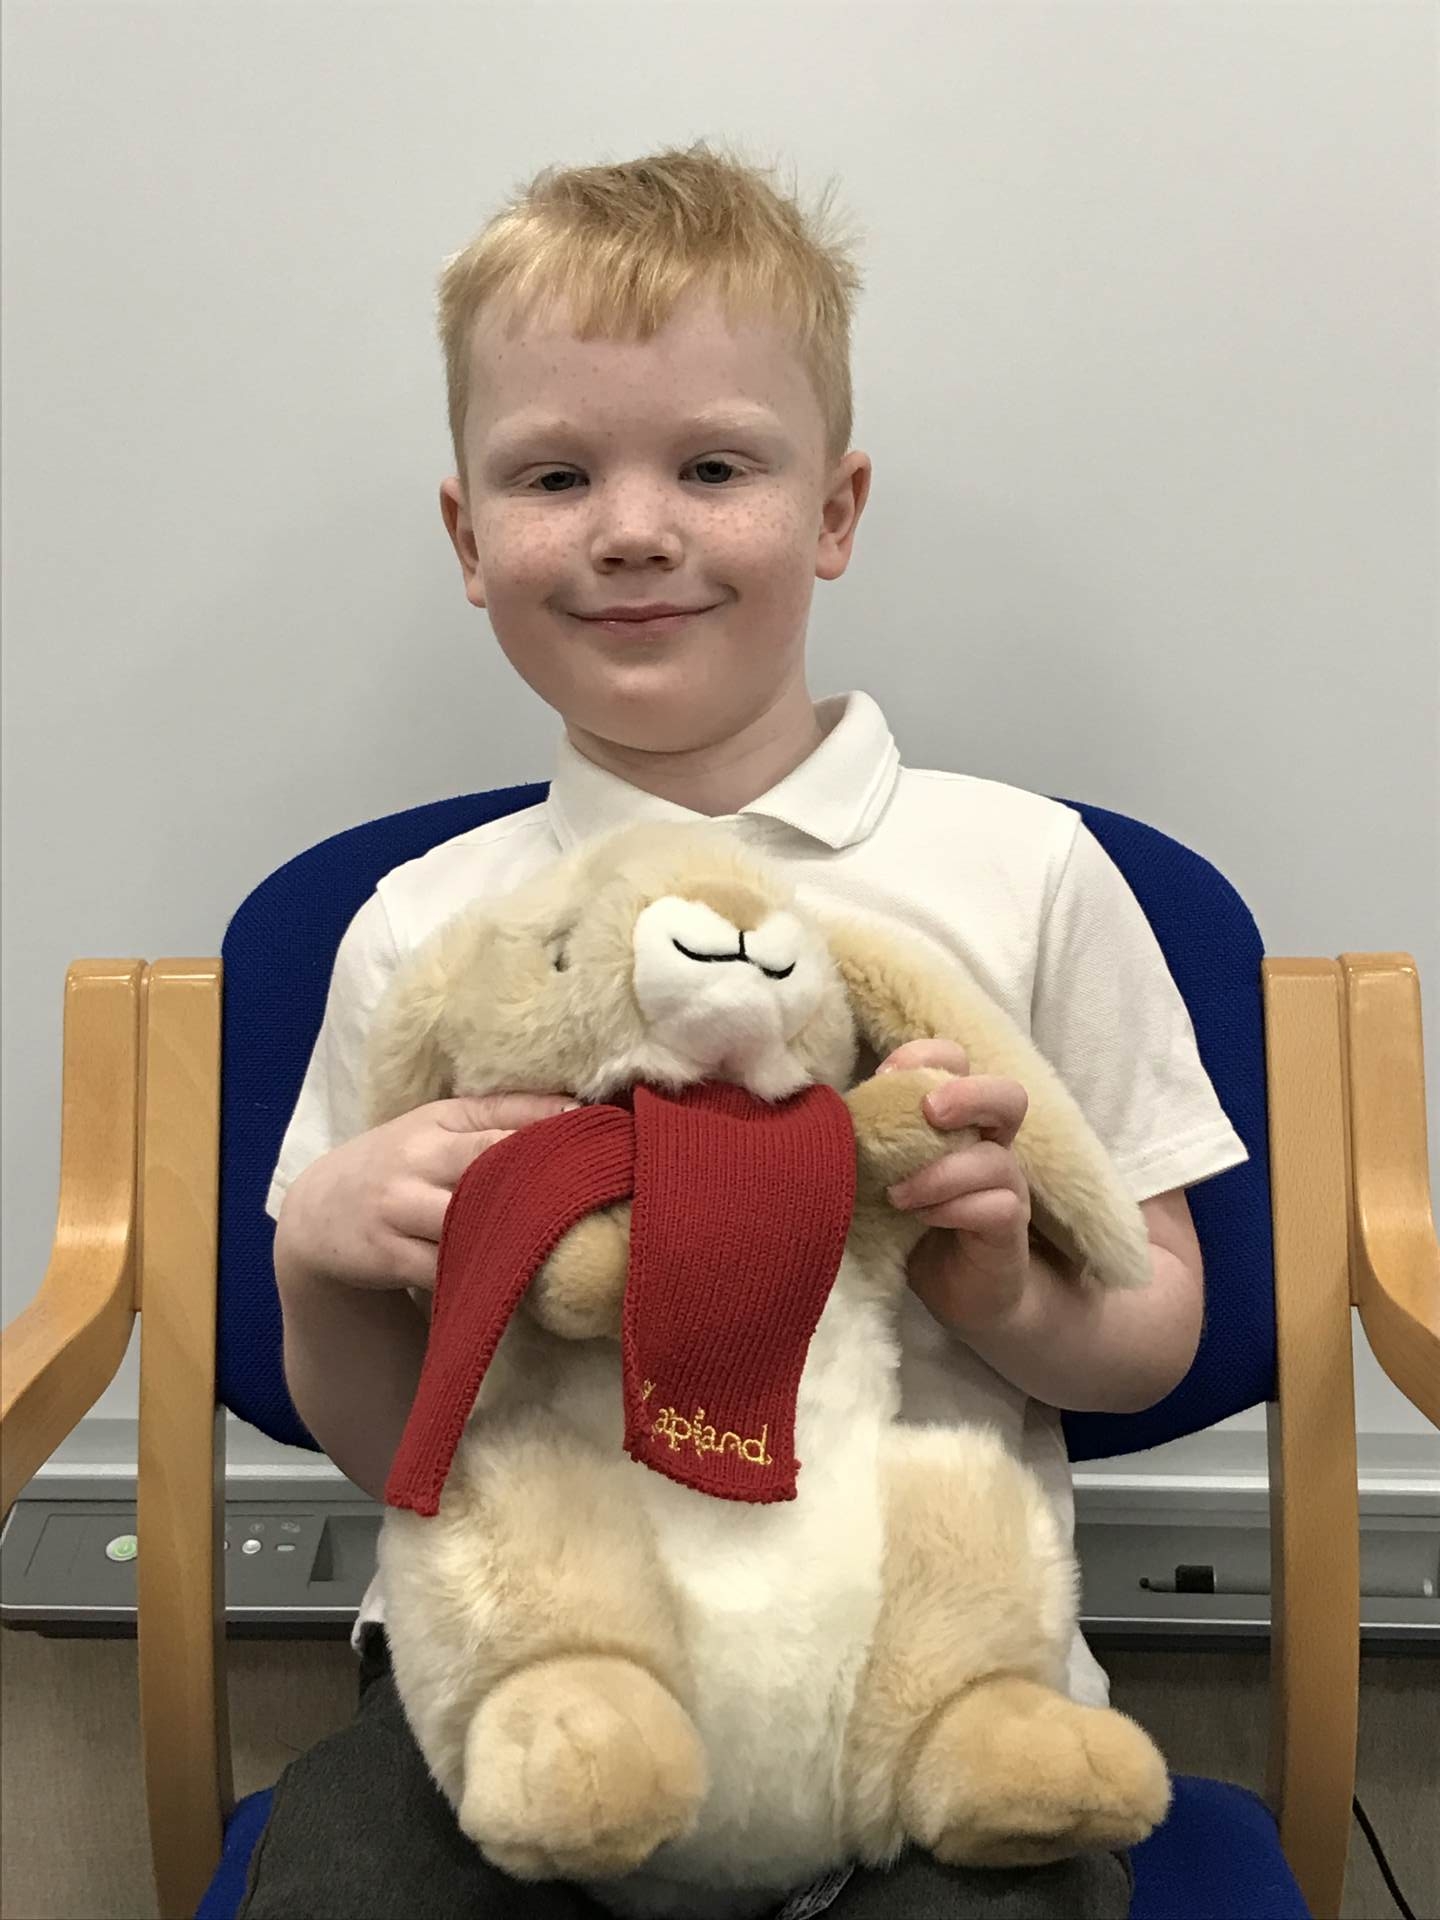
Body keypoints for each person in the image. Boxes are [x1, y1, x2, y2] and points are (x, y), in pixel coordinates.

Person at [237, 139, 1247, 1920]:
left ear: (835, 512)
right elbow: (391, 1441)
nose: (633, 528)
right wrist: (321, 1259)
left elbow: (1157, 1329)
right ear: (470, 539)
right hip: (532, 1683)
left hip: (927, 1696)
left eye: (713, 466)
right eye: (556, 475)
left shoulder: (1028, 875)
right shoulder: (426, 934)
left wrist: (1004, 1293)